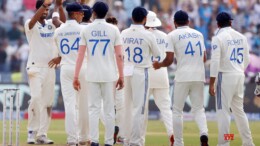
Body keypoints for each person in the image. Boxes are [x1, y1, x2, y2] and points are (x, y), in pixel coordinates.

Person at [153, 10, 209, 146]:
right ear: (188, 21)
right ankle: (204, 133)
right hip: (199, 76)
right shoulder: (199, 34)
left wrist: (159, 65)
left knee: (177, 111)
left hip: (183, 76)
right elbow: (204, 58)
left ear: (174, 22)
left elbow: (169, 60)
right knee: (199, 109)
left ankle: (178, 142)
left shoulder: (172, 35)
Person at [73, 2, 124, 146]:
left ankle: (94, 141)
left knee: (93, 109)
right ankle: (108, 142)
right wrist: (121, 76)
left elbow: (80, 55)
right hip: (109, 74)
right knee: (109, 110)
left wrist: (76, 77)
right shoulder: (113, 30)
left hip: (92, 74)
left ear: (93, 12)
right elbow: (119, 56)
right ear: (106, 13)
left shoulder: (86, 29)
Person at [209, 11, 255, 146]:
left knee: (223, 112)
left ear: (217, 24)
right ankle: (248, 142)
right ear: (230, 22)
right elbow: (247, 59)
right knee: (239, 112)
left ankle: (224, 143)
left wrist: (212, 83)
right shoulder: (242, 37)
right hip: (239, 75)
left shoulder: (218, 37)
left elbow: (215, 61)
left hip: (225, 76)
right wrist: (239, 69)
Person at [24, 0, 65, 144]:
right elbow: (31, 22)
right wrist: (44, 5)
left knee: (47, 103)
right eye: (44, 10)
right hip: (35, 68)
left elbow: (64, 27)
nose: (46, 13)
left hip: (50, 69)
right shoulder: (31, 22)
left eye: (47, 10)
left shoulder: (51, 25)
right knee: (35, 98)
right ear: (38, 9)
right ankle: (31, 132)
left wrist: (58, 7)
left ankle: (42, 134)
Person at [121, 7, 160, 146]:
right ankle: (135, 141)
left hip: (126, 70)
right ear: (145, 19)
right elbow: (157, 54)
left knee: (127, 107)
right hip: (140, 71)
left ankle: (125, 139)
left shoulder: (123, 33)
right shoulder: (149, 35)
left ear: (132, 18)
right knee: (139, 108)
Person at [52, 2, 87, 145]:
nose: (83, 15)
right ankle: (84, 137)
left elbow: (58, 53)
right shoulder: (84, 29)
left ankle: (72, 140)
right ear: (75, 14)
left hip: (66, 68)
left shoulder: (58, 30)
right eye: (81, 13)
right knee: (83, 105)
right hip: (83, 68)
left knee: (70, 105)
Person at [144, 11, 174, 146]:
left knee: (141, 110)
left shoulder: (142, 35)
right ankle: (172, 134)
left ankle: (140, 140)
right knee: (166, 109)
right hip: (161, 74)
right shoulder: (165, 36)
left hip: (145, 75)